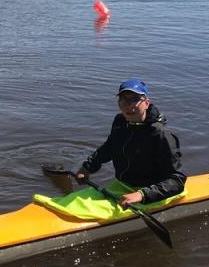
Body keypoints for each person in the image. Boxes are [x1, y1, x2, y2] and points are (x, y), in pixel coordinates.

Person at [76, 78, 185, 208]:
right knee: (76, 200)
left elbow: (177, 181)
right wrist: (87, 167)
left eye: (134, 99)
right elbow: (109, 147)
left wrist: (142, 195)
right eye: (124, 100)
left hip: (151, 192)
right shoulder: (120, 122)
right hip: (122, 185)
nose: (128, 105)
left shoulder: (161, 134)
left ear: (146, 103)